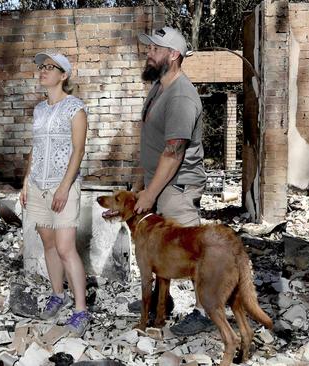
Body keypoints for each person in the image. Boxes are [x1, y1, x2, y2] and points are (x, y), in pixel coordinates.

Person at [131, 26, 212, 337]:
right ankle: (161, 305)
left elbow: (173, 153)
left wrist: (149, 195)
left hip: (177, 188)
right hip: (158, 184)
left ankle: (205, 312)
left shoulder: (181, 96)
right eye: (149, 47)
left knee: (194, 251)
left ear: (174, 55)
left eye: (155, 49)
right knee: (162, 251)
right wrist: (144, 184)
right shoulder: (160, 87)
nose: (148, 53)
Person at [20, 51, 90, 336]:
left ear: (64, 75)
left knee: (65, 247)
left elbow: (78, 150)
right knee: (48, 244)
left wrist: (64, 187)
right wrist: (25, 181)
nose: (43, 70)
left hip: (63, 186)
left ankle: (81, 311)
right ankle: (57, 294)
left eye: (51, 67)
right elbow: (35, 149)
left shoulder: (76, 108)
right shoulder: (39, 110)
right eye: (41, 66)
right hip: (37, 185)